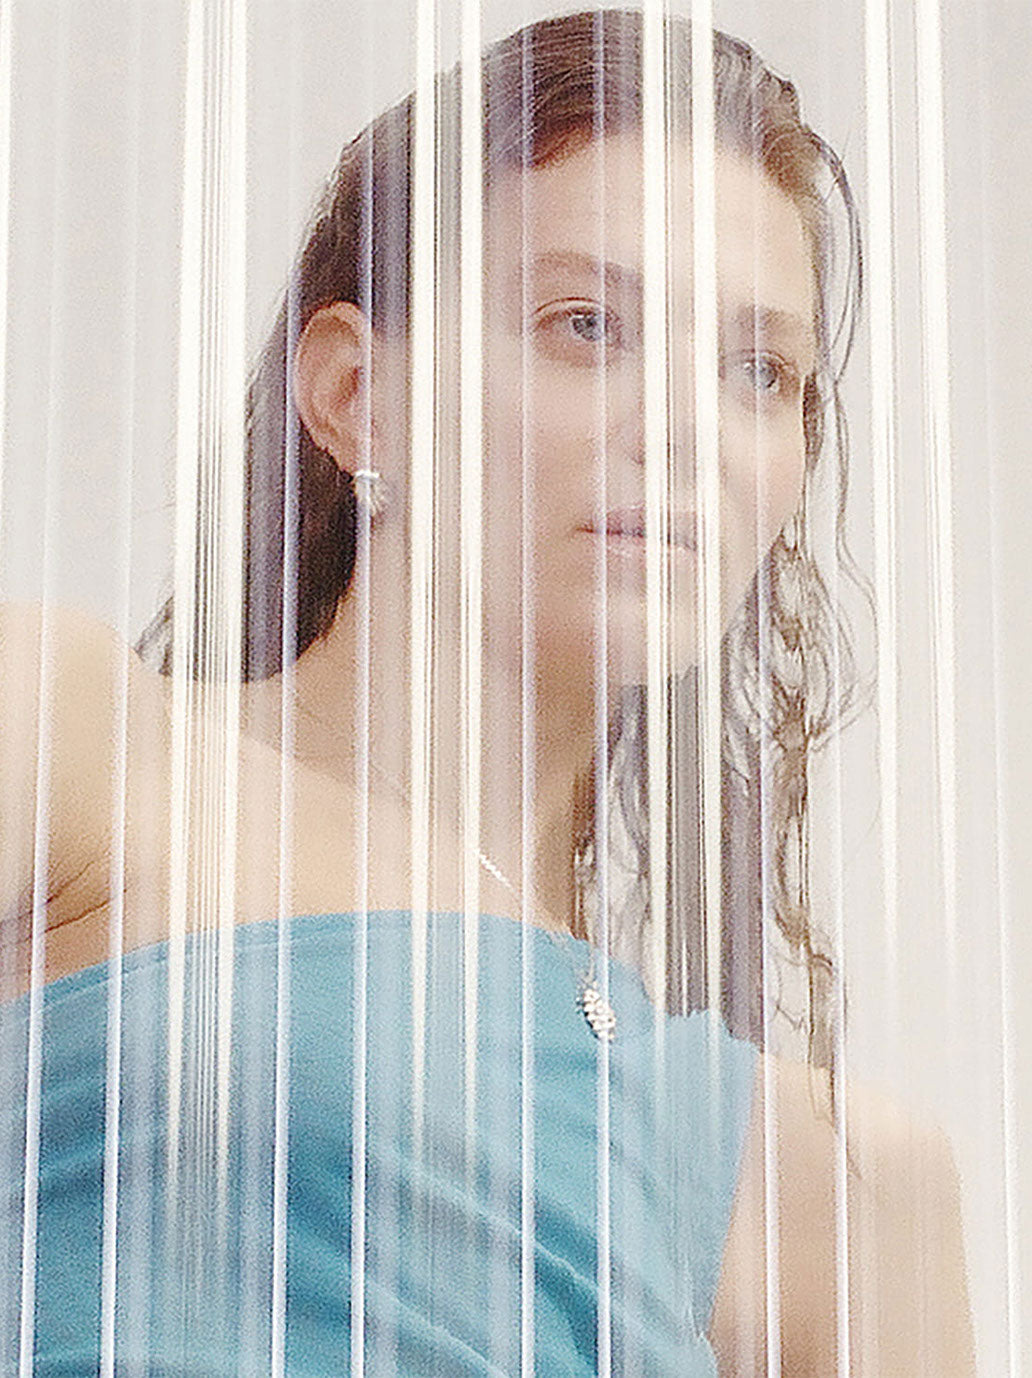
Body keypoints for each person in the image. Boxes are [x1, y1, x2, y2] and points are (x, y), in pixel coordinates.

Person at [0, 9, 973, 1374]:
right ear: (356, 394)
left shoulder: (839, 1184)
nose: (687, 430)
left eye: (760, 371)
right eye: (586, 323)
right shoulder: (80, 745)